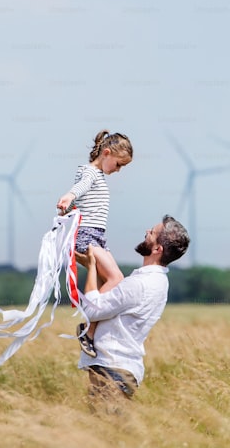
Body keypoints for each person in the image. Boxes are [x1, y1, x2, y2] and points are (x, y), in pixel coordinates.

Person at [77, 215, 190, 405]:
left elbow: (92, 311)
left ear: (157, 249)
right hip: (119, 369)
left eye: (152, 233)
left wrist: (92, 267)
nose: (147, 232)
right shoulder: (157, 282)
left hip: (112, 370)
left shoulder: (139, 284)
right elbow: (106, 300)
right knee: (107, 430)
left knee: (107, 430)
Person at [56, 130, 133, 358]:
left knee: (106, 288)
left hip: (97, 236)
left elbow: (82, 199)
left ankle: (95, 334)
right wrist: (69, 195)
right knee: (116, 278)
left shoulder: (96, 175)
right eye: (118, 164)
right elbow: (80, 187)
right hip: (87, 236)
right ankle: (87, 329)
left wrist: (70, 206)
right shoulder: (90, 172)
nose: (118, 170)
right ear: (107, 153)